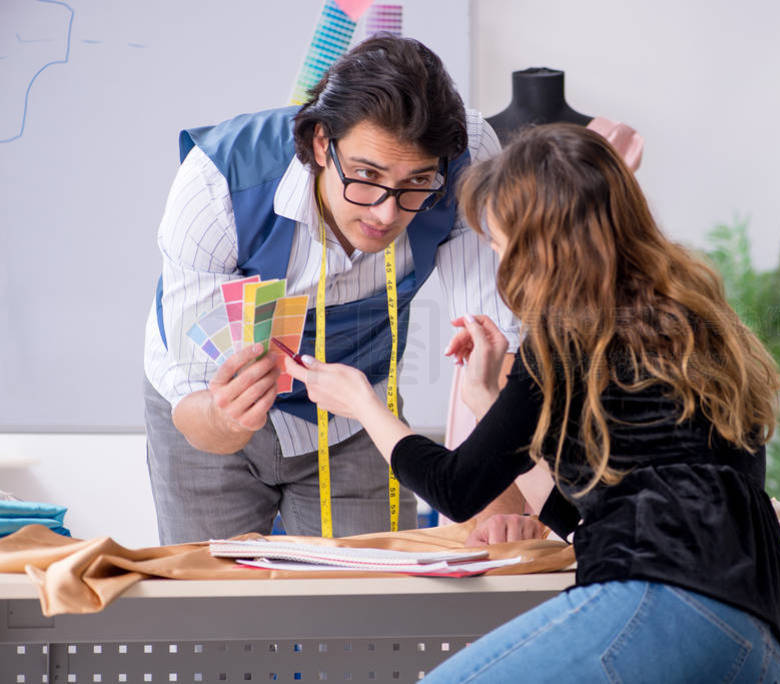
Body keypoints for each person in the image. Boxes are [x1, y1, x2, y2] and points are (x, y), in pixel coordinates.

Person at [285, 124, 780, 682]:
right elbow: (589, 516)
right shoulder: (702, 329)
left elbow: (454, 489)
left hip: (657, 603)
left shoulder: (566, 338)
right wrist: (486, 397)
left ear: (543, 246)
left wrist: (361, 402)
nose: (500, 262)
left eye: (501, 244)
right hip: (756, 634)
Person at [143, 35, 544, 545]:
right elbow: (199, 406)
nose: (385, 213)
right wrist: (229, 415)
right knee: (215, 608)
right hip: (213, 408)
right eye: (365, 175)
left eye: (416, 182)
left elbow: (497, 349)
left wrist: (498, 513)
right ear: (319, 143)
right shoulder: (216, 187)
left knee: (370, 608)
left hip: (359, 414)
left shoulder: (468, 158)